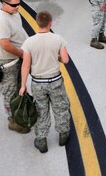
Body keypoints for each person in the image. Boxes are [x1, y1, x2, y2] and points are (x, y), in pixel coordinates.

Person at [20, 11, 71, 153]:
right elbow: (66, 60)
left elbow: (25, 65)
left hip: (38, 82)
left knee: (41, 110)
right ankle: (63, 134)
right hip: (55, 80)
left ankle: (41, 140)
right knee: (60, 107)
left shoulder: (28, 42)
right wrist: (57, 57)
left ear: (37, 22)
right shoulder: (58, 39)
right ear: (51, 23)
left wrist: (23, 85)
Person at [0, 0, 29, 133]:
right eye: (13, 5)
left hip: (17, 58)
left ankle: (21, 111)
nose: (17, 7)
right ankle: (13, 121)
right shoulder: (1, 20)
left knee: (20, 87)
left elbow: (18, 33)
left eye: (19, 4)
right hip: (7, 62)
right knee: (10, 92)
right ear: (4, 3)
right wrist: (24, 53)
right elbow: (5, 44)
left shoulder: (14, 13)